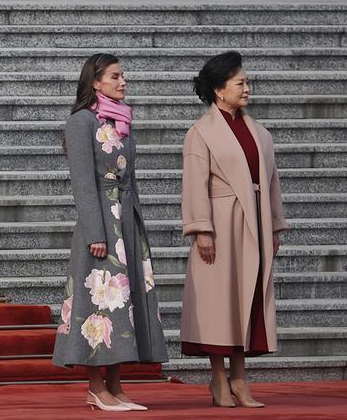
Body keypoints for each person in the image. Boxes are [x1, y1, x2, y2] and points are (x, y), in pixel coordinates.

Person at [52, 53, 167, 412]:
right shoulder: (81, 121)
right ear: (95, 81)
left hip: (127, 221)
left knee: (124, 303)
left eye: (123, 76)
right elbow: (83, 182)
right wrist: (95, 233)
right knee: (98, 303)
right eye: (115, 77)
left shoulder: (120, 121)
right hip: (101, 221)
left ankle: (116, 385)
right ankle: (95, 386)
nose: (123, 82)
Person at [180, 51, 288, 409]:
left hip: (254, 223)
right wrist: (202, 230)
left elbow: (271, 183)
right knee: (219, 302)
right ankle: (218, 379)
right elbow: (195, 185)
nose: (247, 88)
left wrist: (274, 224)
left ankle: (240, 379)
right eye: (240, 83)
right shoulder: (201, 132)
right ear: (218, 90)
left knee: (247, 299)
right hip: (221, 224)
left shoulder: (259, 132)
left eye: (247, 82)